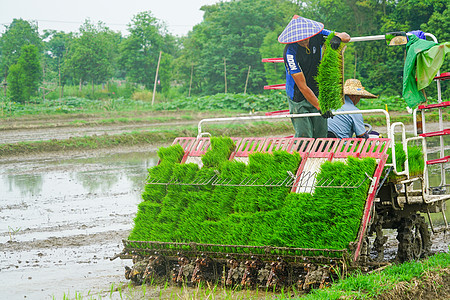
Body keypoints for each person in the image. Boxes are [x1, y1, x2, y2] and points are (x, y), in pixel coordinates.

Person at [278, 15, 350, 138]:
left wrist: (337, 38)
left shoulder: (318, 35)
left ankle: (322, 156)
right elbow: (302, 86)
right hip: (298, 96)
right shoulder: (290, 53)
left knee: (321, 133)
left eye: (306, 38)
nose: (304, 41)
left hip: (316, 90)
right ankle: (302, 154)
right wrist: (319, 106)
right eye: (299, 39)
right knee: (304, 134)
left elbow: (346, 36)